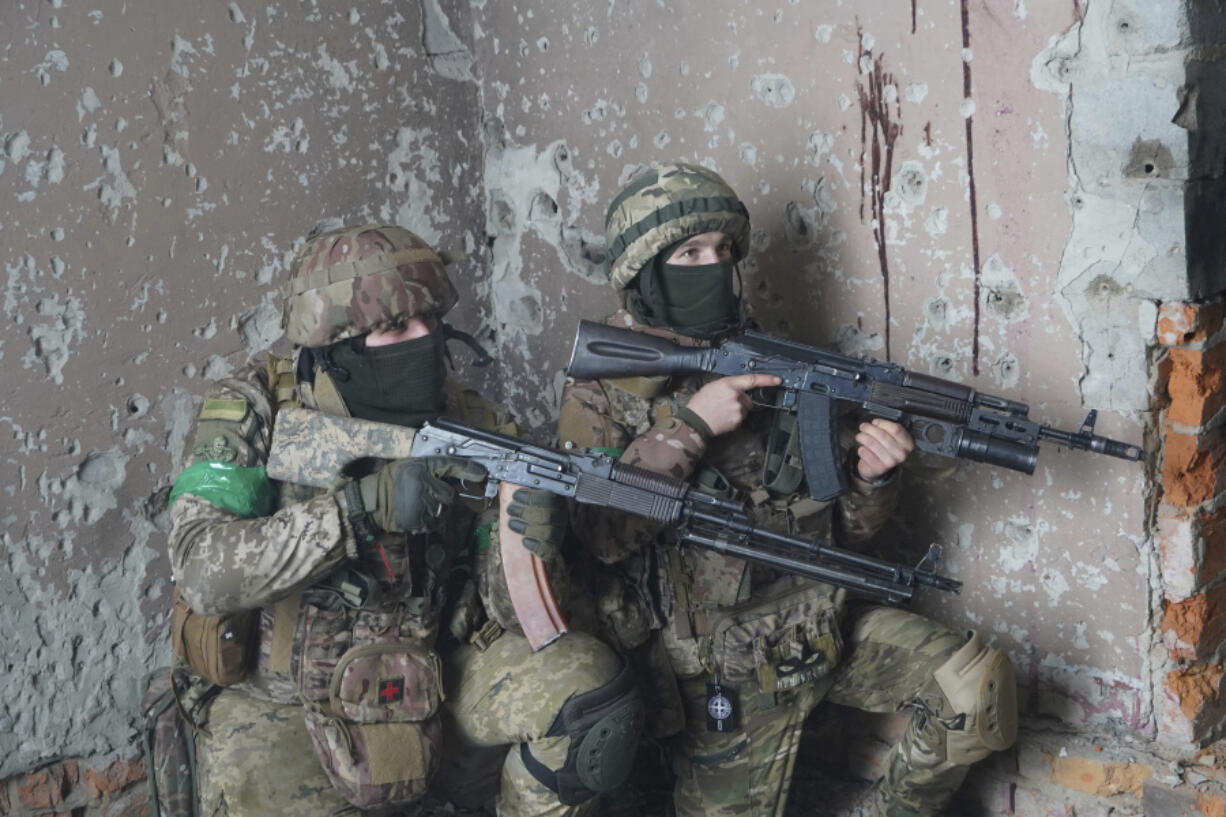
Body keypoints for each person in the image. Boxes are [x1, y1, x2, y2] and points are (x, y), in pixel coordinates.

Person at [557, 163, 1017, 817]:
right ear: (645, 270)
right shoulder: (606, 388)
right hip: (722, 666)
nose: (712, 266)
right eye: (689, 252)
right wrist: (690, 427)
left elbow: (848, 532)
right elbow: (597, 539)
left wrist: (872, 475)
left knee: (975, 686)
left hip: (819, 620)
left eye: (723, 251)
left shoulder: (781, 363)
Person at [166, 223, 641, 817]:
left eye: (429, 324)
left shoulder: (472, 420)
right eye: (393, 327)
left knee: (589, 697)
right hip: (285, 700)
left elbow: (507, 609)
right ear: (331, 341)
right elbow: (202, 570)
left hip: (436, 669)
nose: (421, 343)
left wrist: (532, 536)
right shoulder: (254, 408)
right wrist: (356, 510)